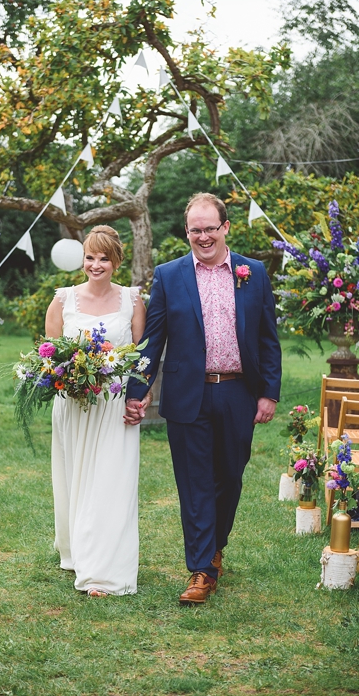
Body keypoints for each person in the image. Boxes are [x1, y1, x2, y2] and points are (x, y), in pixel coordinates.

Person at [125, 192, 281, 605]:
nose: (203, 236)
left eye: (211, 228)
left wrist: (268, 392)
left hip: (237, 392)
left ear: (225, 227)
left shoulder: (254, 272)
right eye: (196, 230)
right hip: (186, 395)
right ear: (187, 231)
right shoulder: (170, 274)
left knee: (228, 478)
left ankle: (215, 547)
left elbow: (268, 339)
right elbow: (152, 340)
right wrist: (136, 393)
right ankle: (201, 569)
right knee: (194, 483)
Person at [45, 225, 147, 597]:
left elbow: (142, 356)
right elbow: (50, 354)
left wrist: (141, 396)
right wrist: (67, 377)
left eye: (104, 258)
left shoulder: (132, 301)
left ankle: (102, 573)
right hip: (73, 405)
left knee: (111, 482)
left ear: (116, 261)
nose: (96, 264)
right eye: (90, 256)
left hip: (114, 405)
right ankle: (78, 551)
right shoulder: (63, 300)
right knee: (76, 480)